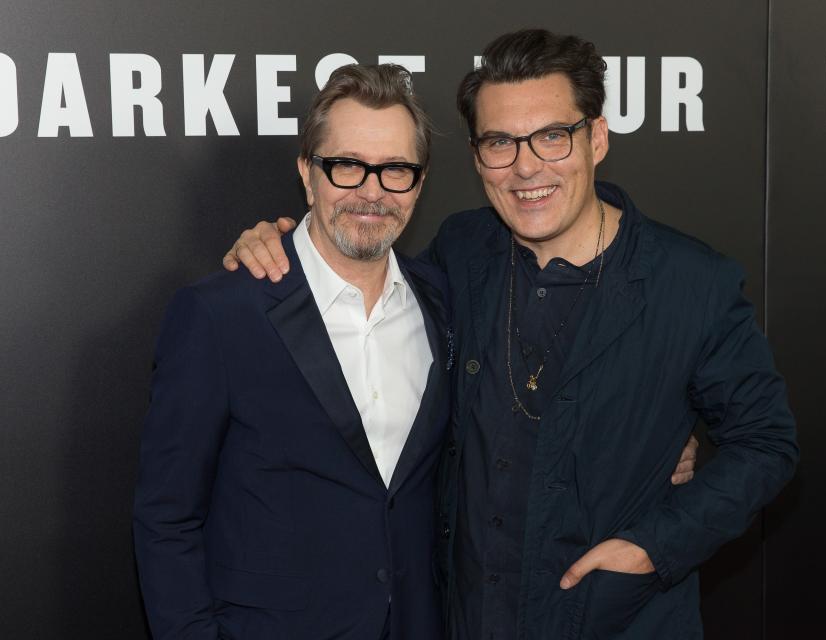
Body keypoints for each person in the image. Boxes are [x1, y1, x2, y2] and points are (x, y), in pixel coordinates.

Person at [225, 30, 785, 639]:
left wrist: (653, 546)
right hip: (467, 619)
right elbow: (355, 270)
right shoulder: (460, 255)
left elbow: (767, 444)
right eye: (499, 142)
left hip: (610, 622)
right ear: (476, 156)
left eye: (551, 136)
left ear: (596, 138)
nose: (525, 167)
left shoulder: (690, 283)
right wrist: (280, 242)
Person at [134, 64, 451, 640]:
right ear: (308, 173)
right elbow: (167, 516)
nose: (372, 190)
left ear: (420, 181)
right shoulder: (219, 314)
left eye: (396, 169)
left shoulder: (444, 302)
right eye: (347, 165)